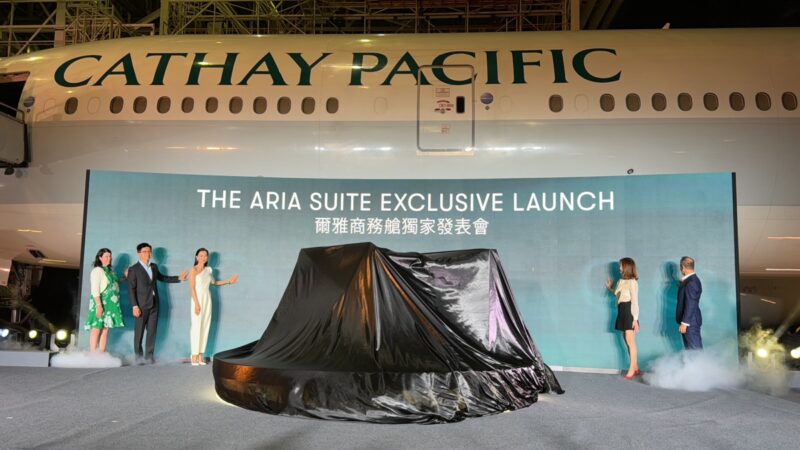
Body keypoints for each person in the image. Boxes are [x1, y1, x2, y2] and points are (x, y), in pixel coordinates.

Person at [127, 242, 188, 364]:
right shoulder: (133, 269)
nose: (148, 254)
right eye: (145, 252)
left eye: (149, 251)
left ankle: (149, 357)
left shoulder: (154, 266)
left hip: (155, 304)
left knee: (152, 332)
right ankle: (138, 358)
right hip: (141, 305)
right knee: (139, 333)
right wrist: (135, 306)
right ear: (139, 253)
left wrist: (178, 278)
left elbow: (162, 278)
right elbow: (131, 289)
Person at [188, 248, 239, 366]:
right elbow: (191, 288)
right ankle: (194, 355)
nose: (203, 257)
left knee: (205, 326)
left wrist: (229, 281)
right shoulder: (193, 270)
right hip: (197, 299)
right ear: (196, 257)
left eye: (205, 256)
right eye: (201, 255)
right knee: (196, 326)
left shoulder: (208, 270)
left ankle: (201, 354)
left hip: (207, 299)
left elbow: (214, 283)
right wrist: (196, 303)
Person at [84, 248, 125, 352]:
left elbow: (117, 282)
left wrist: (125, 277)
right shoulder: (97, 270)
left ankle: (101, 354)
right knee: (96, 329)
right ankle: (93, 354)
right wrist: (99, 306)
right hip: (101, 303)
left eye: (110, 256)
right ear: (100, 258)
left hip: (110, 306)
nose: (109, 258)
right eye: (106, 256)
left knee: (106, 330)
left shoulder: (110, 272)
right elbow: (95, 290)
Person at [606, 257, 641, 379]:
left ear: (626, 267)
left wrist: (635, 319)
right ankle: (635, 367)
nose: (619, 268)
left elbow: (635, 302)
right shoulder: (621, 281)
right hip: (621, 311)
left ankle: (632, 369)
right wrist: (610, 288)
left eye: (621, 266)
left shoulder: (633, 282)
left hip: (629, 311)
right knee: (627, 341)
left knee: (630, 342)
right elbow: (618, 294)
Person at [676, 256, 703, 349]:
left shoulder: (691, 282)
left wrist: (685, 323)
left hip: (690, 322)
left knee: (696, 351)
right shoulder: (691, 280)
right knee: (691, 352)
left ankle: (702, 364)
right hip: (691, 321)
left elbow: (691, 303)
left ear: (682, 267)